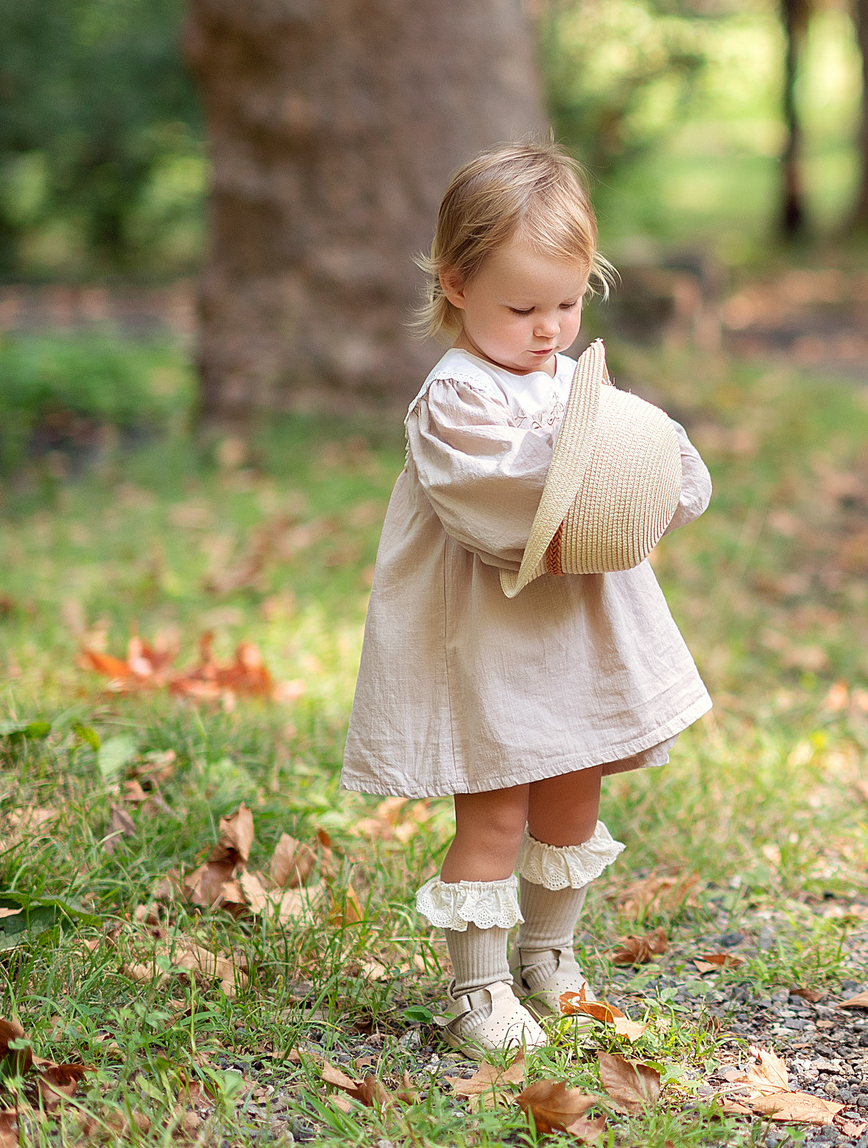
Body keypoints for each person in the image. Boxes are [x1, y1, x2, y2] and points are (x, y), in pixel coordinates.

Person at [341, 143, 713, 1053]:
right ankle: (478, 990)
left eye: (568, 304)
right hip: (494, 632)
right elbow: (499, 507)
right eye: (522, 309)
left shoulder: (571, 379)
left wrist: (634, 472)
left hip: (575, 627)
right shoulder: (455, 396)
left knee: (573, 791)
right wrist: (578, 462)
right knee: (498, 804)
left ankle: (550, 953)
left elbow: (644, 469)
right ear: (457, 284)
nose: (549, 330)